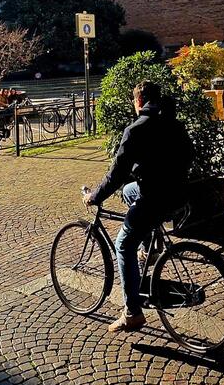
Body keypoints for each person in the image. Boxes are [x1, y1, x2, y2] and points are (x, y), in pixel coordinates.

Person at [82, 82, 192, 334]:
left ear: (139, 102)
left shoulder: (136, 130)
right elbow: (189, 154)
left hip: (156, 197)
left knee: (123, 245)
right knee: (129, 191)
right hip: (179, 193)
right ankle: (149, 247)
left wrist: (95, 197)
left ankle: (132, 312)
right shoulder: (173, 122)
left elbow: (117, 172)